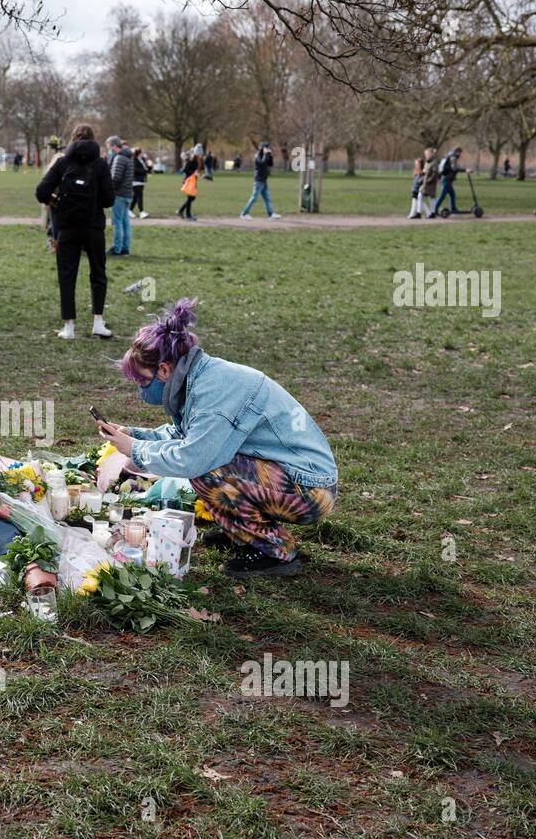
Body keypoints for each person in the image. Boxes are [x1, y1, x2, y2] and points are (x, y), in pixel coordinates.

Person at [97, 299, 337, 579]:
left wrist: (137, 450)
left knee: (206, 469)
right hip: (294, 477)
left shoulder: (213, 392)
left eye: (142, 382)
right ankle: (245, 534)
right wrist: (135, 435)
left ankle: (274, 551)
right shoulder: (201, 378)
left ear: (164, 370)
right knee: (209, 464)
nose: (140, 391)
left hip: (310, 490)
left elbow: (193, 457)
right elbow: (185, 435)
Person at [34, 123, 115, 341]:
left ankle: (68, 326)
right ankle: (98, 322)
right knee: (98, 274)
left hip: (67, 227)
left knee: (67, 275)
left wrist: (56, 203)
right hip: (94, 227)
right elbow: (109, 199)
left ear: (73, 139)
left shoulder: (62, 163)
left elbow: (41, 191)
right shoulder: (100, 165)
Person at [108, 136, 135, 256]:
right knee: (125, 222)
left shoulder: (119, 158)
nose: (109, 149)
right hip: (128, 193)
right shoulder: (129, 158)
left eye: (109, 146)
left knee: (117, 223)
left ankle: (117, 248)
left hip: (119, 194)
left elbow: (116, 178)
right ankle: (125, 248)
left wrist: (108, 188)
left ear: (114, 146)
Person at [240, 142, 280, 219]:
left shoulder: (266, 156)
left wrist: (270, 156)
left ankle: (271, 214)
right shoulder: (257, 156)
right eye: (267, 148)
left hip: (264, 180)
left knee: (267, 198)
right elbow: (262, 164)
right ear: (262, 148)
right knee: (254, 197)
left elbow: (270, 164)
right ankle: (244, 213)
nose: (268, 149)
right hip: (258, 180)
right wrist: (265, 155)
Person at [432, 146, 463, 214]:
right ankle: (434, 210)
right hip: (447, 179)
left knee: (452, 194)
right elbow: (454, 168)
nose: (460, 154)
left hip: (446, 178)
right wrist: (464, 170)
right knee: (442, 196)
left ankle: (453, 208)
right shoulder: (453, 158)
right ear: (457, 152)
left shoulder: (448, 156)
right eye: (460, 153)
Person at [408, 147, 436, 218]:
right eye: (425, 154)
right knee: (419, 196)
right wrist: (421, 174)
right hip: (425, 184)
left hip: (430, 184)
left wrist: (428, 180)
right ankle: (419, 213)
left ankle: (432, 213)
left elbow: (435, 174)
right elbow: (424, 172)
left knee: (431, 198)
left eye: (427, 154)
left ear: (431, 154)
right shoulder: (427, 163)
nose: (426, 156)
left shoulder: (434, 163)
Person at [177, 147, 200, 221]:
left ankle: (181, 212)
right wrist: (193, 173)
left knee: (191, 198)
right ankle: (187, 215)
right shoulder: (191, 159)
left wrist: (196, 173)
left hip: (192, 180)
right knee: (191, 197)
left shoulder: (195, 159)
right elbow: (185, 170)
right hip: (189, 181)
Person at [130, 147, 150, 219]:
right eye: (141, 152)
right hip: (135, 181)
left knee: (136, 197)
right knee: (139, 196)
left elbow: (147, 169)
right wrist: (145, 171)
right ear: (138, 153)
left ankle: (129, 210)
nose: (143, 154)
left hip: (141, 181)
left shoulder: (141, 160)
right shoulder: (134, 160)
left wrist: (149, 167)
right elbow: (135, 170)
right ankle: (141, 212)